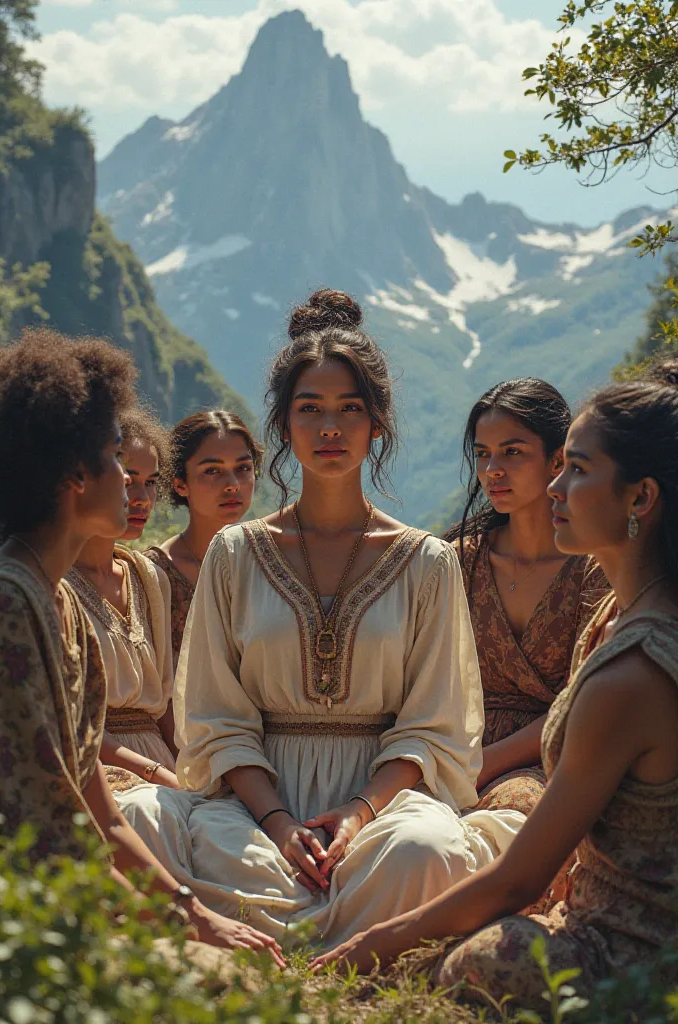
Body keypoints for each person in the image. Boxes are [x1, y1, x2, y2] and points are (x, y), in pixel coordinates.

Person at [117, 288, 525, 952]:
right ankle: (348, 943)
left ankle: (278, 949)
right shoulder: (235, 553)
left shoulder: (425, 561)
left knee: (426, 851)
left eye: (349, 410)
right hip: (254, 800)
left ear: (378, 424)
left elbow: (434, 724)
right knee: (141, 820)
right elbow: (215, 719)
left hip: (384, 801)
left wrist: (359, 816)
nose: (330, 428)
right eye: (310, 410)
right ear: (282, 425)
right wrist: (279, 824)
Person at [313, 362, 678, 1011]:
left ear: (640, 498)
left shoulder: (635, 670)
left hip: (634, 951)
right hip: (477, 766)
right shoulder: (616, 614)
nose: (557, 488)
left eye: (578, 469)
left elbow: (520, 878)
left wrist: (380, 942)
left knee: (481, 958)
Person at [0, 327, 283, 962]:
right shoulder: (9, 601)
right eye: (117, 462)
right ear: (74, 475)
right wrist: (177, 926)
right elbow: (47, 816)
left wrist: (194, 915)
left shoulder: (50, 599)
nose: (135, 485)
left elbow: (95, 801)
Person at [445, 380, 607, 817]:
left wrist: (484, 764)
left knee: (514, 809)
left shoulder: (594, 567)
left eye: (512, 452)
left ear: (558, 458)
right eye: (483, 453)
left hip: (555, 754)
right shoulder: (458, 562)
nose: (493, 469)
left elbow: (586, 701)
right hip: (453, 750)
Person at [67, 407, 179, 790]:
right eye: (129, 479)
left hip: (160, 762)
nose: (143, 497)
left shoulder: (148, 578)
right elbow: (71, 721)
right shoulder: (54, 582)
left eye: (151, 482)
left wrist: (189, 774)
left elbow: (162, 708)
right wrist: (154, 774)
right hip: (96, 766)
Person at [145, 410, 263, 666]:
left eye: (243, 468)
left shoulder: (274, 562)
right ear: (180, 484)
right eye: (212, 471)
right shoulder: (156, 575)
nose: (232, 484)